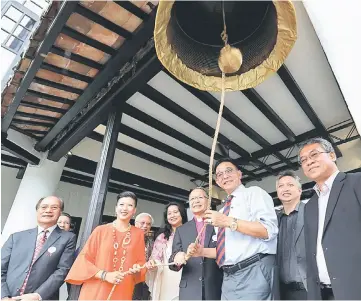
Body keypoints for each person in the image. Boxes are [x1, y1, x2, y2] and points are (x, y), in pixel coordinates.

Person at [204, 158, 278, 300]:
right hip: (228, 277)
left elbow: (268, 231)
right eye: (219, 174)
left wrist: (227, 221)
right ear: (217, 182)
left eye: (229, 171)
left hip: (253, 270)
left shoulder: (254, 193)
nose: (224, 176)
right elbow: (224, 250)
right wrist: (200, 251)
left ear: (239, 174)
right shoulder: (223, 209)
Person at [299, 137, 361, 300]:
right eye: (304, 160)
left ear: (332, 155)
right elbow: (311, 253)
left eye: (314, 155)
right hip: (325, 293)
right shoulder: (310, 205)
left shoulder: (356, 183)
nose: (309, 162)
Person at [65, 191, 149, 300]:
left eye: (130, 205)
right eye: (121, 204)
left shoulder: (138, 234)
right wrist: (105, 275)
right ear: (116, 208)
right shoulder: (100, 230)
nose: (125, 208)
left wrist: (137, 268)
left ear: (134, 211)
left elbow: (140, 261)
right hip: (97, 287)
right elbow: (84, 260)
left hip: (123, 288)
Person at [1, 196, 76, 300]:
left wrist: (38, 295)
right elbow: (1, 268)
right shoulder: (16, 237)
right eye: (44, 207)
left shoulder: (68, 238)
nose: (48, 210)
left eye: (54, 207)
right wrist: (3, 296)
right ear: (37, 211)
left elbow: (63, 270)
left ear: (60, 212)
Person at [168, 188, 223, 300]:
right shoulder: (181, 230)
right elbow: (172, 262)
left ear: (208, 201)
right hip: (189, 290)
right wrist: (177, 257)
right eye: (192, 198)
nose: (196, 201)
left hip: (216, 288)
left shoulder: (219, 224)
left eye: (200, 197)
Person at [276, 171, 307, 300]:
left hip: (307, 289)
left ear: (299, 190)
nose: (285, 189)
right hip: (281, 291)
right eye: (281, 186)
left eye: (290, 185)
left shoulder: (311, 213)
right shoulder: (273, 220)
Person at [146, 203, 187, 300]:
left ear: (182, 214)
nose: (172, 215)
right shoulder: (162, 237)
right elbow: (155, 259)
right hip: (166, 278)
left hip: (187, 275)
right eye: (169, 213)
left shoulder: (190, 233)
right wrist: (152, 264)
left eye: (175, 212)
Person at [133, 213, 155, 300]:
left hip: (145, 280)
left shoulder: (151, 242)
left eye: (148, 224)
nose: (145, 226)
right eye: (142, 223)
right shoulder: (127, 238)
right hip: (129, 278)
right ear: (135, 223)